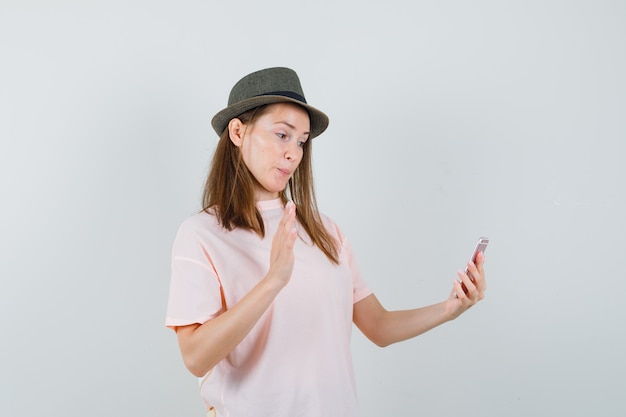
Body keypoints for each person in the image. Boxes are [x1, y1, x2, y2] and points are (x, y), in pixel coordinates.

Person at [165, 67, 486, 417]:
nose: (294, 152)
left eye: (302, 141)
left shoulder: (326, 232)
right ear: (238, 131)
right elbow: (195, 357)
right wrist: (273, 282)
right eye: (282, 135)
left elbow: (378, 326)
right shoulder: (202, 234)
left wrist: (450, 309)